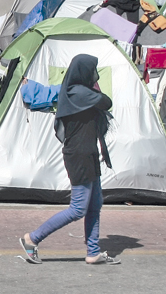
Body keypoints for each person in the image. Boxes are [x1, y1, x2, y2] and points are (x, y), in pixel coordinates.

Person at [19, 54, 120, 265]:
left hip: (88, 153)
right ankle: (32, 238)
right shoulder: (79, 92)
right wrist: (95, 87)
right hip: (79, 156)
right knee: (78, 208)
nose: (96, 75)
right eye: (93, 71)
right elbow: (106, 102)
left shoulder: (75, 90)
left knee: (95, 204)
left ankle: (93, 252)